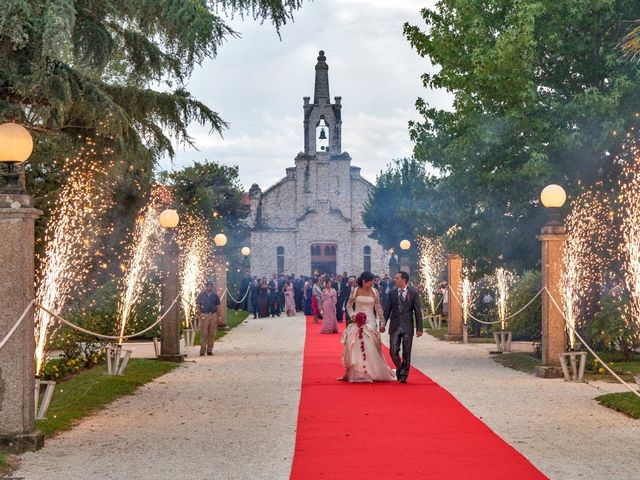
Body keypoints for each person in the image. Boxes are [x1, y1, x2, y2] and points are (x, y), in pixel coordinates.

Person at [338, 271, 395, 382]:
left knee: (371, 345)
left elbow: (378, 308)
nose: (373, 283)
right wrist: (353, 315)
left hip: (370, 321)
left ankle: (372, 371)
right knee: (354, 345)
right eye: (371, 281)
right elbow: (349, 306)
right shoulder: (355, 291)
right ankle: (354, 372)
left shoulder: (375, 291)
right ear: (364, 281)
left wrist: (382, 322)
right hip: (357, 320)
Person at [382, 271, 423, 383]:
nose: (395, 279)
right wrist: (383, 324)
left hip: (407, 326)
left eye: (397, 278)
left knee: (406, 352)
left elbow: (417, 312)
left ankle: (404, 375)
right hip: (395, 326)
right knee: (393, 351)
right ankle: (400, 368)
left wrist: (419, 328)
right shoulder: (392, 293)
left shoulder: (413, 293)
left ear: (404, 280)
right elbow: (387, 310)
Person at [195, 280, 222, 356]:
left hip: (213, 314)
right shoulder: (201, 295)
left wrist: (219, 316)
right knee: (204, 333)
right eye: (208, 286)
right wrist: (200, 314)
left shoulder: (215, 296)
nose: (209, 287)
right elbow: (197, 305)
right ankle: (202, 350)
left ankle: (209, 350)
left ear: (212, 287)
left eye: (211, 286)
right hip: (204, 314)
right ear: (206, 286)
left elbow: (218, 306)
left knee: (212, 333)